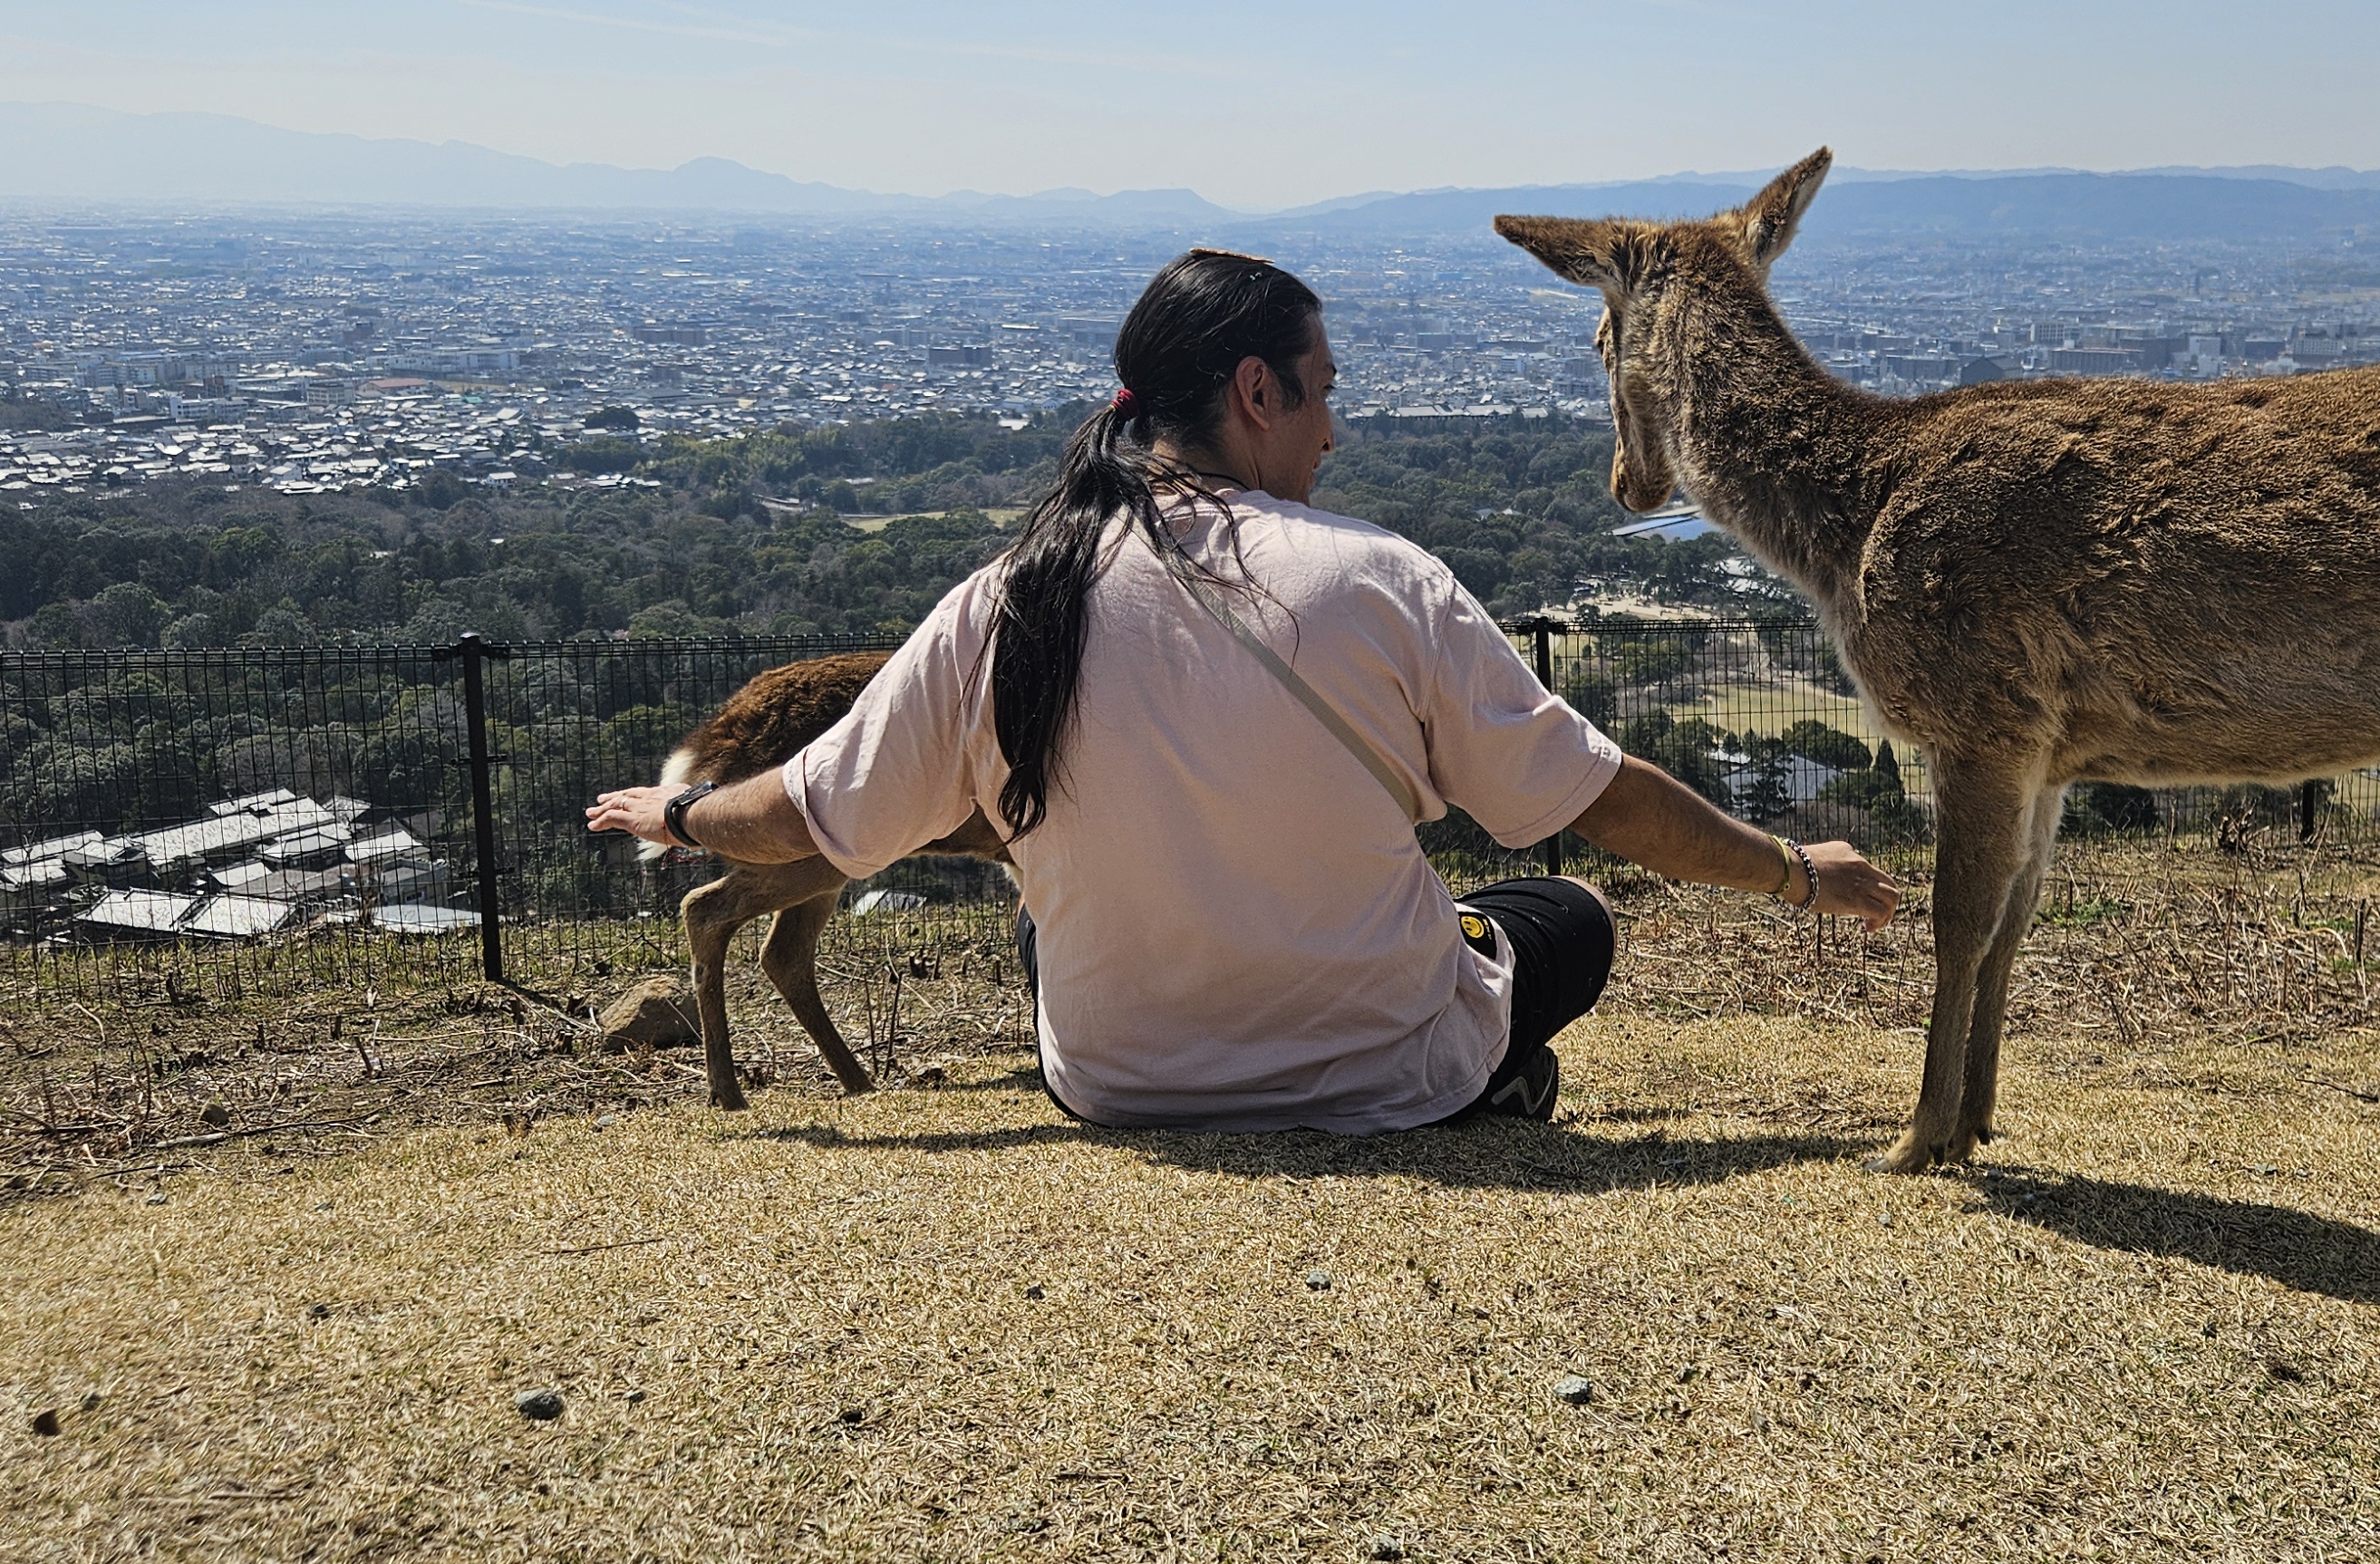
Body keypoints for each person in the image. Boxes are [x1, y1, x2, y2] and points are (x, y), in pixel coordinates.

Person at [586, 247, 1901, 1133]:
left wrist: (677, 815)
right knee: (1567, 914)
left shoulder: (1008, 599)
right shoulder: (1382, 578)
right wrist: (1794, 869)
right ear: (1256, 390)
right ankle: (1491, 1078)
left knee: (1047, 916)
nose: (1333, 430)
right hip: (1386, 1066)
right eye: (1321, 395)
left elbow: (815, 820)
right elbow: (1604, 800)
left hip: (1114, 1078)